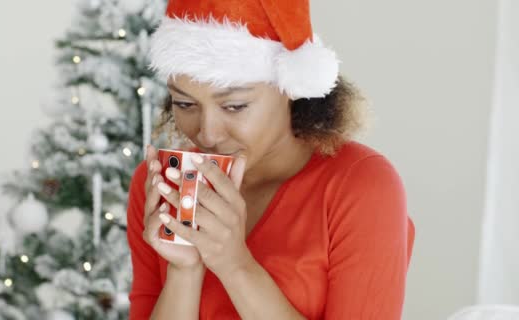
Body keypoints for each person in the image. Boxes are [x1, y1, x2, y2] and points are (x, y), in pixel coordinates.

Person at [126, 0, 415, 319]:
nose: (207, 135)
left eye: (234, 106)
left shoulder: (361, 186)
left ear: (290, 87)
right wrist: (184, 271)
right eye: (184, 103)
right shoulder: (159, 185)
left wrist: (235, 265)